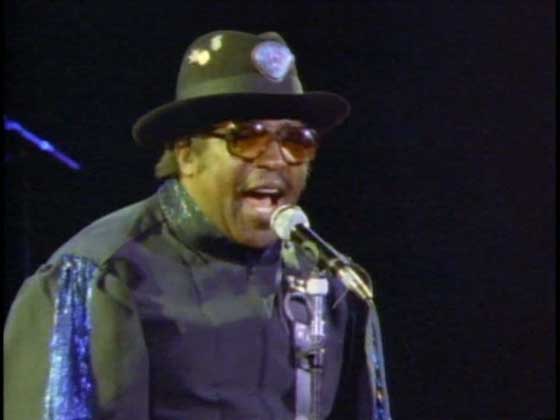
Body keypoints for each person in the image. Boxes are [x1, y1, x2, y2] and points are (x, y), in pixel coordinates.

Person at [4, 30, 392, 420]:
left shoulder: (328, 282)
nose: (276, 160)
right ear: (187, 154)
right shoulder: (98, 278)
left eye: (297, 141)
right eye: (249, 137)